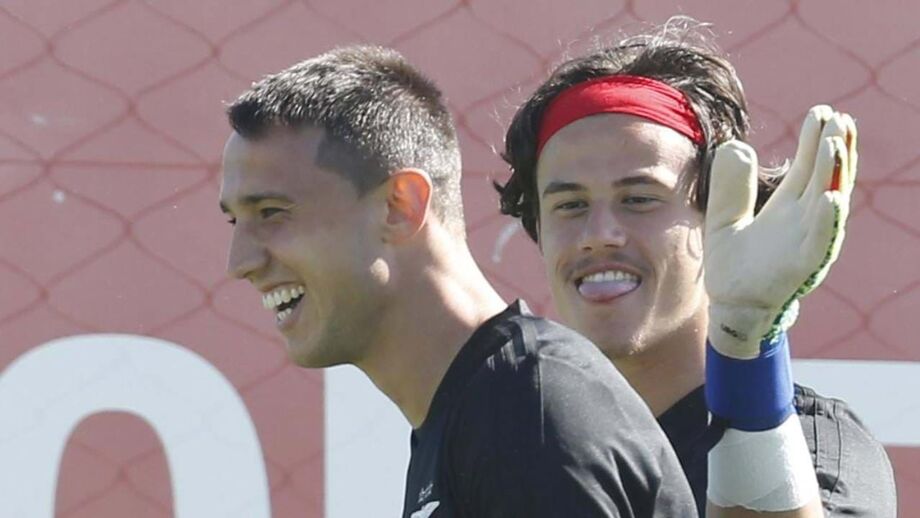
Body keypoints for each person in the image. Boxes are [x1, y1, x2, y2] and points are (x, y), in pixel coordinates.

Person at [219, 45, 698, 517]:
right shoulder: (480, 413)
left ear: (399, 206)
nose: (240, 262)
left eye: (272, 212)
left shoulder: (524, 418)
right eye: (235, 221)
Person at [497, 19, 896, 518]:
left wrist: (745, 344)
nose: (599, 233)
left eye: (639, 198)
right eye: (570, 205)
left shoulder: (815, 445)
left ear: (721, 215)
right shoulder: (515, 446)